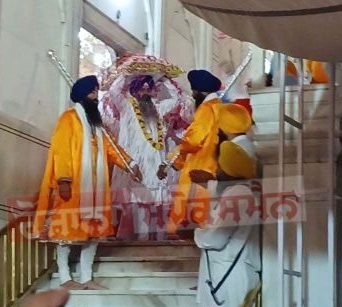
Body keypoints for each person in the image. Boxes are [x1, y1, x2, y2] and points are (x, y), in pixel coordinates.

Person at [32, 75, 142, 290]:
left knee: (93, 233)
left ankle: (86, 278)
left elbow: (112, 150)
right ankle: (65, 278)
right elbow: (61, 150)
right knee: (66, 232)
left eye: (97, 92)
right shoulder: (69, 119)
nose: (96, 96)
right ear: (82, 95)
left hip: (96, 190)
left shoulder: (98, 127)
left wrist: (130, 164)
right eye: (92, 92)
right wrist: (63, 179)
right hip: (73, 187)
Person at [99, 54, 193, 240]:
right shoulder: (126, 107)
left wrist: (163, 77)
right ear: (134, 91)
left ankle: (158, 241)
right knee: (136, 204)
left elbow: (176, 99)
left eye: (148, 89)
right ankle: (139, 241)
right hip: (134, 164)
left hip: (156, 164)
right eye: (140, 89)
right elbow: (115, 91)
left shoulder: (159, 110)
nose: (145, 93)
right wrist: (130, 73)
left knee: (157, 205)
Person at [195, 104, 260, 307]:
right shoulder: (239, 190)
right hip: (227, 270)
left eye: (221, 166)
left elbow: (216, 239)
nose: (218, 170)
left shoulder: (238, 194)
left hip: (228, 274)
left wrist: (198, 232)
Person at [159, 69, 224, 235]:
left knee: (190, 214)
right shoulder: (220, 107)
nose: (193, 95)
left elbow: (193, 141)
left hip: (199, 167)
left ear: (201, 92)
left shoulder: (206, 109)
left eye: (194, 91)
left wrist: (169, 162)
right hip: (213, 166)